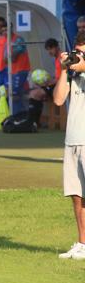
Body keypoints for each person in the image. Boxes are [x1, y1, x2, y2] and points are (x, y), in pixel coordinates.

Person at [53, 31, 85, 260]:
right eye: (77, 51)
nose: (78, 56)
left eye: (82, 52)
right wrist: (65, 69)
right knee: (77, 194)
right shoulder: (72, 73)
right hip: (73, 138)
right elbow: (57, 99)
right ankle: (83, 243)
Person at [0, 16, 31, 116]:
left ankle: (17, 116)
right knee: (16, 93)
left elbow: (12, 57)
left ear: (11, 29)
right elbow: (6, 59)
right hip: (13, 71)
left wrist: (9, 55)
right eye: (3, 30)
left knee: (14, 93)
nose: (5, 32)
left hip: (21, 70)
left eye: (7, 29)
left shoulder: (18, 39)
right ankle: (19, 115)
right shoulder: (6, 41)